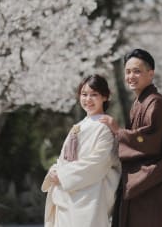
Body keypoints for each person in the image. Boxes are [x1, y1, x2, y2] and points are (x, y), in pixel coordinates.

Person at [99, 48, 162, 227]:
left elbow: (150, 141)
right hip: (144, 184)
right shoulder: (140, 103)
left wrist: (119, 132)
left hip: (153, 185)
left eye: (137, 71)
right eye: (128, 71)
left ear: (151, 73)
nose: (131, 76)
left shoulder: (156, 103)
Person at [41, 74, 121, 227]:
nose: (88, 99)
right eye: (84, 94)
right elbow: (64, 158)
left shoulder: (104, 126)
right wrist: (55, 170)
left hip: (90, 195)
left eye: (94, 95)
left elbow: (98, 162)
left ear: (105, 97)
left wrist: (63, 175)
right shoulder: (79, 126)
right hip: (68, 192)